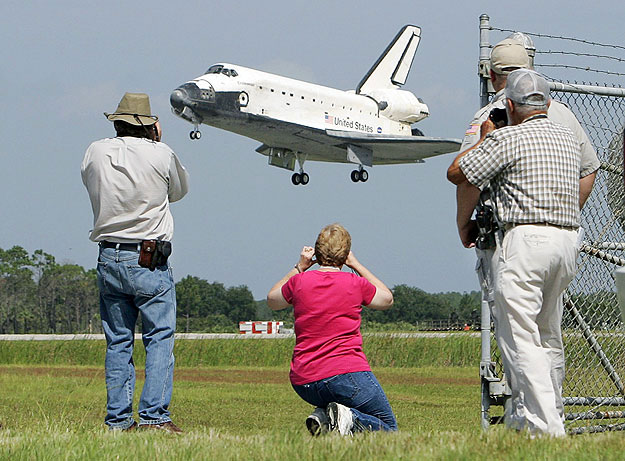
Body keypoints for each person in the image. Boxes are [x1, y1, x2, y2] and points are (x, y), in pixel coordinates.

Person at [450, 36, 600, 429]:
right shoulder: (565, 123)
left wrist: (463, 224)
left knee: (519, 336)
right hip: (566, 237)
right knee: (548, 332)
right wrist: (563, 209)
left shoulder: (498, 121)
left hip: (519, 236)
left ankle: (542, 424)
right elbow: (589, 170)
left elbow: (463, 177)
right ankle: (550, 413)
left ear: (494, 77)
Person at [81, 92, 189, 433]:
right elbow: (178, 192)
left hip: (108, 255)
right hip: (148, 258)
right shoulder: (161, 153)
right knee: (158, 338)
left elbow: (89, 181)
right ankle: (155, 417)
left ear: (117, 121)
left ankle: (118, 420)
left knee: (118, 342)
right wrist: (158, 144)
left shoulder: (95, 151)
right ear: (150, 126)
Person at [267, 224, 397, 436]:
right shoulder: (354, 283)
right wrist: (356, 264)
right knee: (388, 428)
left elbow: (272, 300)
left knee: (341, 416)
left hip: (305, 381)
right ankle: (347, 418)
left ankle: (327, 417)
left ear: (317, 253)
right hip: (346, 374)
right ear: (345, 254)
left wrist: (299, 267)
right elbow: (387, 299)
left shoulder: (299, 282)